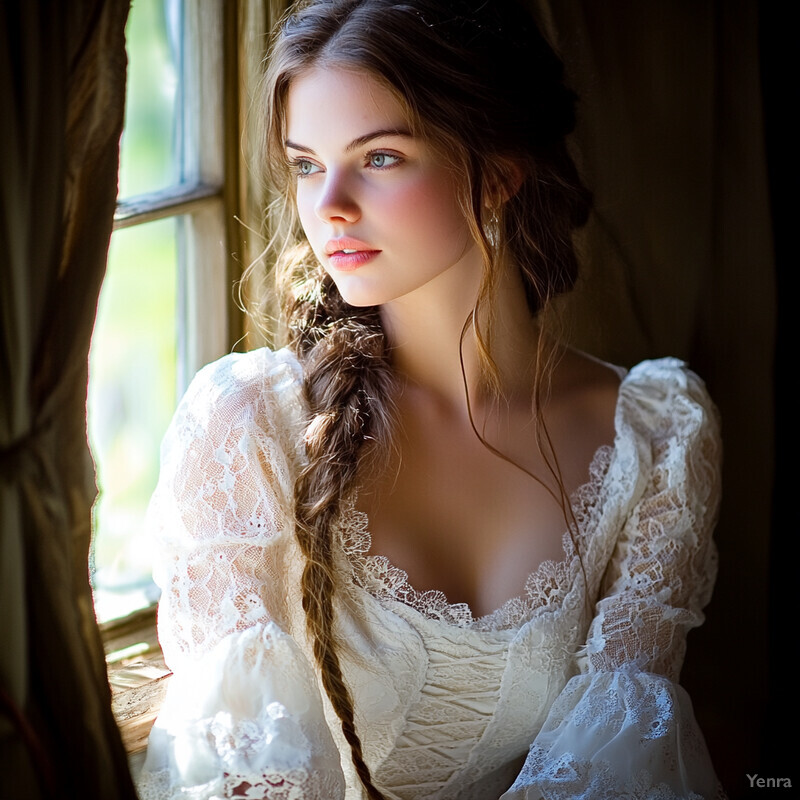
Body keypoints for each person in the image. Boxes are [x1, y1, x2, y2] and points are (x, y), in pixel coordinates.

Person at [135, 1, 726, 798]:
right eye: (307, 163)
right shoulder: (250, 426)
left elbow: (613, 771)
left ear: (499, 174)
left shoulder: (655, 438)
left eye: (378, 157)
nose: (330, 206)